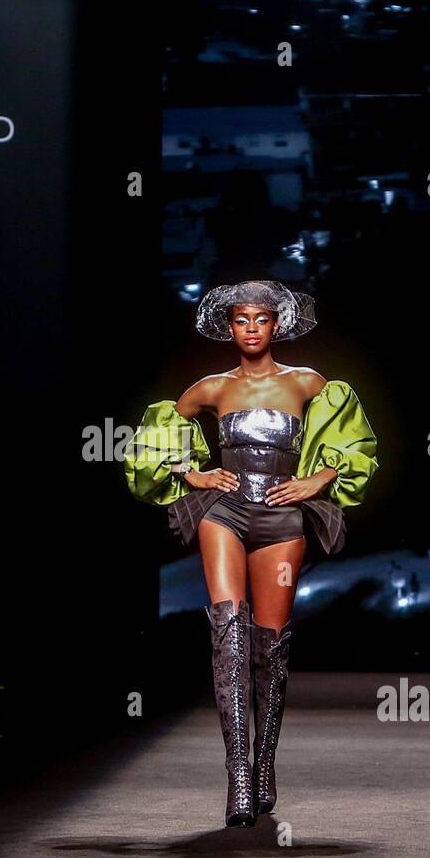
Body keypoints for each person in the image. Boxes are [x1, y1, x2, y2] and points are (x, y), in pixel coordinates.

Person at [124, 279, 378, 827]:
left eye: (261, 319)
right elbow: (159, 430)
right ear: (229, 327)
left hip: (283, 514)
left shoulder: (309, 383)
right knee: (228, 631)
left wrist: (320, 479)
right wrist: (191, 472)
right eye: (242, 320)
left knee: (271, 645)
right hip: (225, 512)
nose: (252, 328)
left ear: (277, 324)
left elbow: (356, 442)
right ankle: (238, 771)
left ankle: (265, 763)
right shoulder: (211, 388)